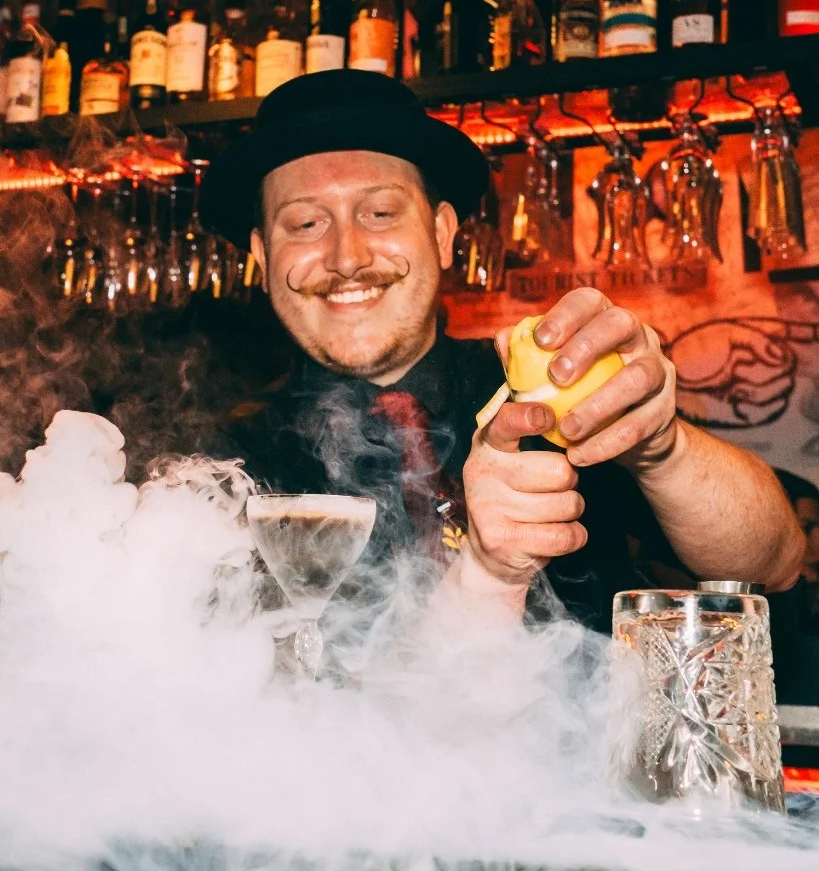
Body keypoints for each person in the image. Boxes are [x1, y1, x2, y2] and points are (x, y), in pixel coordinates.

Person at [202, 69, 803, 642]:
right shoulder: (219, 463)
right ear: (263, 257)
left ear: (442, 233)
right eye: (306, 223)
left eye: (380, 213)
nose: (347, 257)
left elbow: (774, 562)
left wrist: (661, 447)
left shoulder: (551, 387)